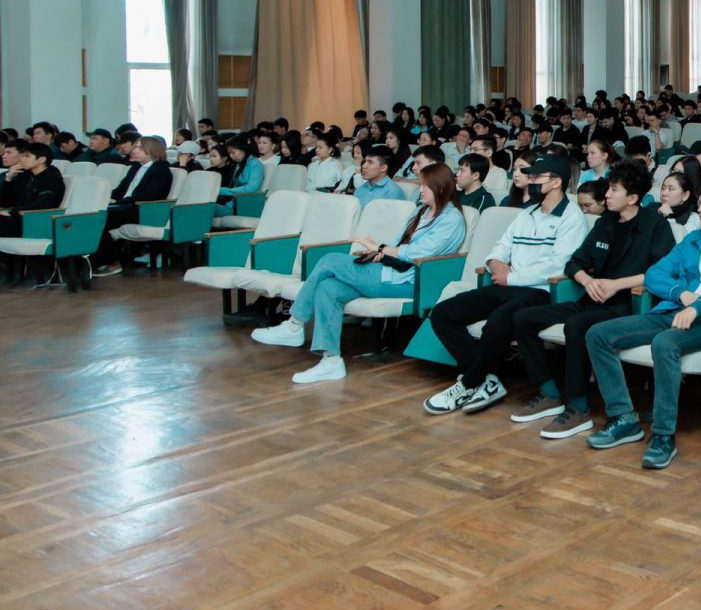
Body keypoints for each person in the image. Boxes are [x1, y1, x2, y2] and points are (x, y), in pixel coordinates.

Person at [477, 162, 678, 437]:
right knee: (523, 318)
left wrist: (615, 284)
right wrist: (587, 281)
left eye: (614, 190)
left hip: (628, 305)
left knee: (577, 325)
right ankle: (549, 391)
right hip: (592, 298)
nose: (607, 194)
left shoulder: (656, 226)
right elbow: (575, 263)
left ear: (632, 198)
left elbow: (662, 273)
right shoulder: (606, 222)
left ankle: (578, 407)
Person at [586, 177, 701, 470]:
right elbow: (655, 274)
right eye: (700, 202)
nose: (700, 208)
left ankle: (663, 435)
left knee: (665, 342)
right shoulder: (693, 240)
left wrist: (698, 306)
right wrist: (680, 293)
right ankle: (624, 417)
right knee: (598, 334)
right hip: (673, 310)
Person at [252, 164, 467, 383]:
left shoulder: (452, 219)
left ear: (440, 188)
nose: (420, 189)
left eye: (424, 186)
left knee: (330, 260)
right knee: (328, 288)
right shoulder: (420, 211)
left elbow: (419, 253)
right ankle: (331, 361)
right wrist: (379, 253)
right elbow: (397, 244)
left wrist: (380, 249)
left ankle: (295, 324)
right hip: (389, 270)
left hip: (409, 281)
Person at [424, 155, 589, 411]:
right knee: (443, 313)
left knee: (498, 323)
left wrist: (511, 277)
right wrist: (494, 262)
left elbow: (558, 266)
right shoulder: (527, 214)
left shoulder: (572, 217)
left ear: (556, 182)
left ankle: (468, 383)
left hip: (541, 291)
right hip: (508, 285)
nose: (530, 181)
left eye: (536, 177)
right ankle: (486, 380)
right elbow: (501, 246)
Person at [92, 136, 175, 276]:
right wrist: (103, 197)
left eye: (139, 148)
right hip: (127, 206)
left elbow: (148, 196)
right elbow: (120, 190)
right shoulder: (136, 167)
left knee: (102, 218)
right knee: (94, 214)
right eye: (135, 146)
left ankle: (112, 262)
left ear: (151, 151)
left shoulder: (161, 170)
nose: (134, 150)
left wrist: (118, 202)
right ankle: (95, 260)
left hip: (143, 210)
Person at [0, 142, 66, 237]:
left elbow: (43, 205)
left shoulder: (52, 178)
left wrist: (12, 212)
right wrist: (9, 178)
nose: (22, 159)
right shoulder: (27, 176)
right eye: (22, 156)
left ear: (41, 159)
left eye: (27, 156)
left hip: (34, 222)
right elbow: (5, 202)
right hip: (19, 219)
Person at [212, 136, 265, 217]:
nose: (231, 156)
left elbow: (251, 189)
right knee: (206, 208)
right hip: (234, 204)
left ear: (243, 149)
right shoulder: (239, 165)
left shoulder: (256, 165)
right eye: (229, 153)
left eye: (233, 153)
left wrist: (221, 190)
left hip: (245, 205)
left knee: (207, 209)